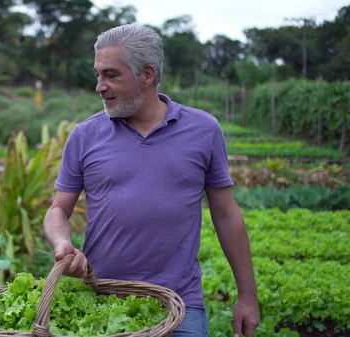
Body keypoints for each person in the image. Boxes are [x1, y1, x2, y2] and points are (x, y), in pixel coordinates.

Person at [43, 23, 260, 337]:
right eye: (98, 75)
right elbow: (57, 210)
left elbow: (227, 214)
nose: (99, 86)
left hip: (180, 304)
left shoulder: (203, 130)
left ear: (147, 74)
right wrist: (62, 242)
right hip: (103, 300)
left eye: (111, 75)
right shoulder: (84, 135)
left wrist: (248, 296)